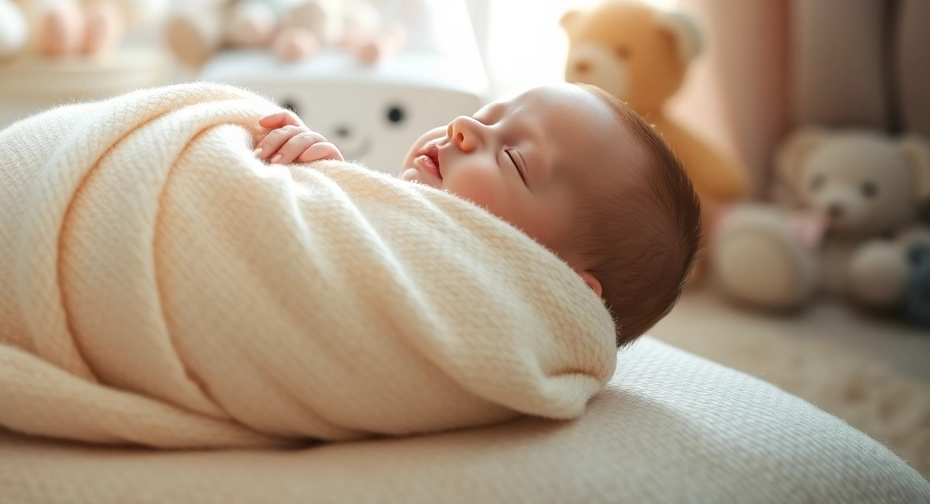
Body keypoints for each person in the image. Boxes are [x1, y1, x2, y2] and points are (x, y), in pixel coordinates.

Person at [254, 82, 703, 345]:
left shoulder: (463, 325)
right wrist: (325, 176)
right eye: (483, 115)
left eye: (513, 159)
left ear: (562, 286)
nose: (464, 129)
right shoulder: (384, 203)